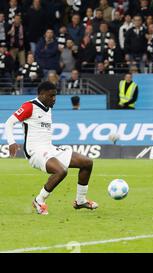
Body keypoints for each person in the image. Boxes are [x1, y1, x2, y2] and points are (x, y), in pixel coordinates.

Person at [3, 81, 98, 215]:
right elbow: (9, 123)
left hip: (49, 149)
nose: (54, 99)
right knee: (61, 171)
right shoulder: (30, 106)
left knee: (87, 162)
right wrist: (11, 142)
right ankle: (39, 200)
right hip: (35, 152)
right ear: (42, 95)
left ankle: (80, 200)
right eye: (51, 96)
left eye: (55, 96)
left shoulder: (48, 108)